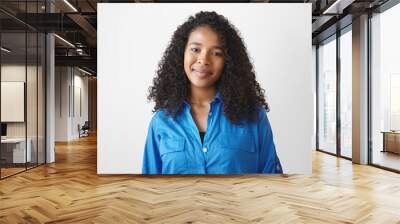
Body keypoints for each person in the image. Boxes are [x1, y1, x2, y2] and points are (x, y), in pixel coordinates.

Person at [142, 11, 282, 174]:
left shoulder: (254, 116)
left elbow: (271, 179)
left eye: (216, 53)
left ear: (228, 61)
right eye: (195, 49)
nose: (204, 60)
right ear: (182, 53)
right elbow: (149, 186)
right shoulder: (161, 121)